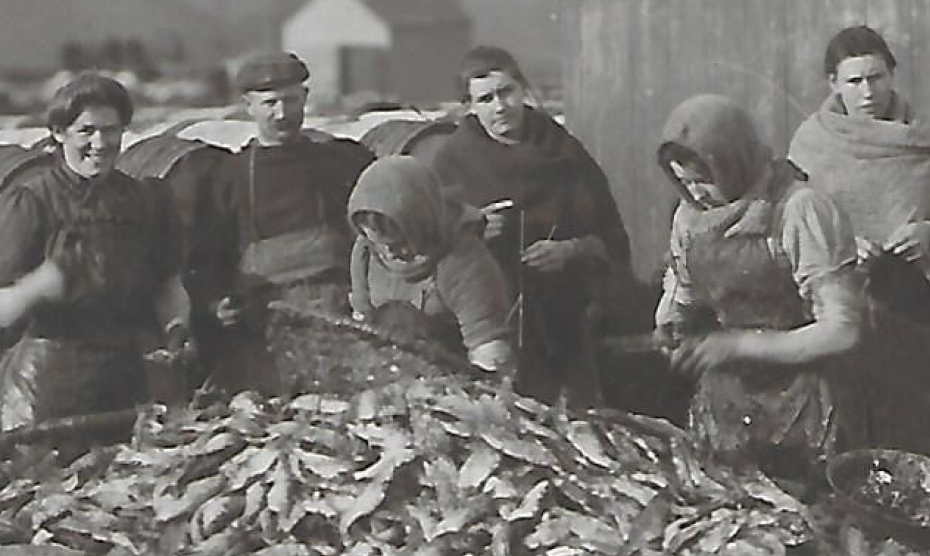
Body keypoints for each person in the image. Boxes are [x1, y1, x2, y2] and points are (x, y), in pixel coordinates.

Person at [789, 25, 930, 476]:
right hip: (844, 306)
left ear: (892, 75)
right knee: (856, 425)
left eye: (877, 77)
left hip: (919, 304)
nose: (867, 91)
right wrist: (839, 244)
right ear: (833, 85)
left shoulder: (924, 141)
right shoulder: (811, 146)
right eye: (854, 81)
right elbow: (791, 218)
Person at [0, 73, 191, 480]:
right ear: (58, 134)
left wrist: (177, 327)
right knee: (29, 506)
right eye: (86, 131)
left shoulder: (145, 200)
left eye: (111, 130)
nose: (100, 143)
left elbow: (168, 283)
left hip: (124, 377)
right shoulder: (30, 201)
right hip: (47, 384)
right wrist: (39, 284)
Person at [655, 94, 864, 485]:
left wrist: (737, 344)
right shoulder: (689, 217)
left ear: (733, 162)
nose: (696, 193)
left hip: (804, 397)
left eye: (704, 180)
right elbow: (682, 280)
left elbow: (843, 329)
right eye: (684, 183)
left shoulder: (801, 209)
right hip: (728, 398)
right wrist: (672, 315)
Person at [428, 46, 629, 404]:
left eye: (506, 92)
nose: (499, 106)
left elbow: (610, 233)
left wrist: (571, 249)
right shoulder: (452, 162)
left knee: (581, 420)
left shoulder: (562, 150)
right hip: (491, 321)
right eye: (485, 98)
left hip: (568, 317)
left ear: (523, 90)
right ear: (470, 106)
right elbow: (431, 249)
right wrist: (474, 232)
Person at [195, 52, 373, 386]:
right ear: (249, 105)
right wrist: (216, 301)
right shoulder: (228, 176)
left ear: (305, 98)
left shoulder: (342, 161)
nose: (283, 113)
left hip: (341, 325)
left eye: (291, 100)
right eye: (270, 103)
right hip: (263, 333)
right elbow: (206, 256)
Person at [347, 154, 515, 375]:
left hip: (452, 375)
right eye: (380, 243)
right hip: (388, 371)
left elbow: (489, 349)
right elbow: (362, 323)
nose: (390, 252)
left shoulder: (463, 261)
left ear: (421, 224)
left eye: (399, 242)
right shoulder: (366, 251)